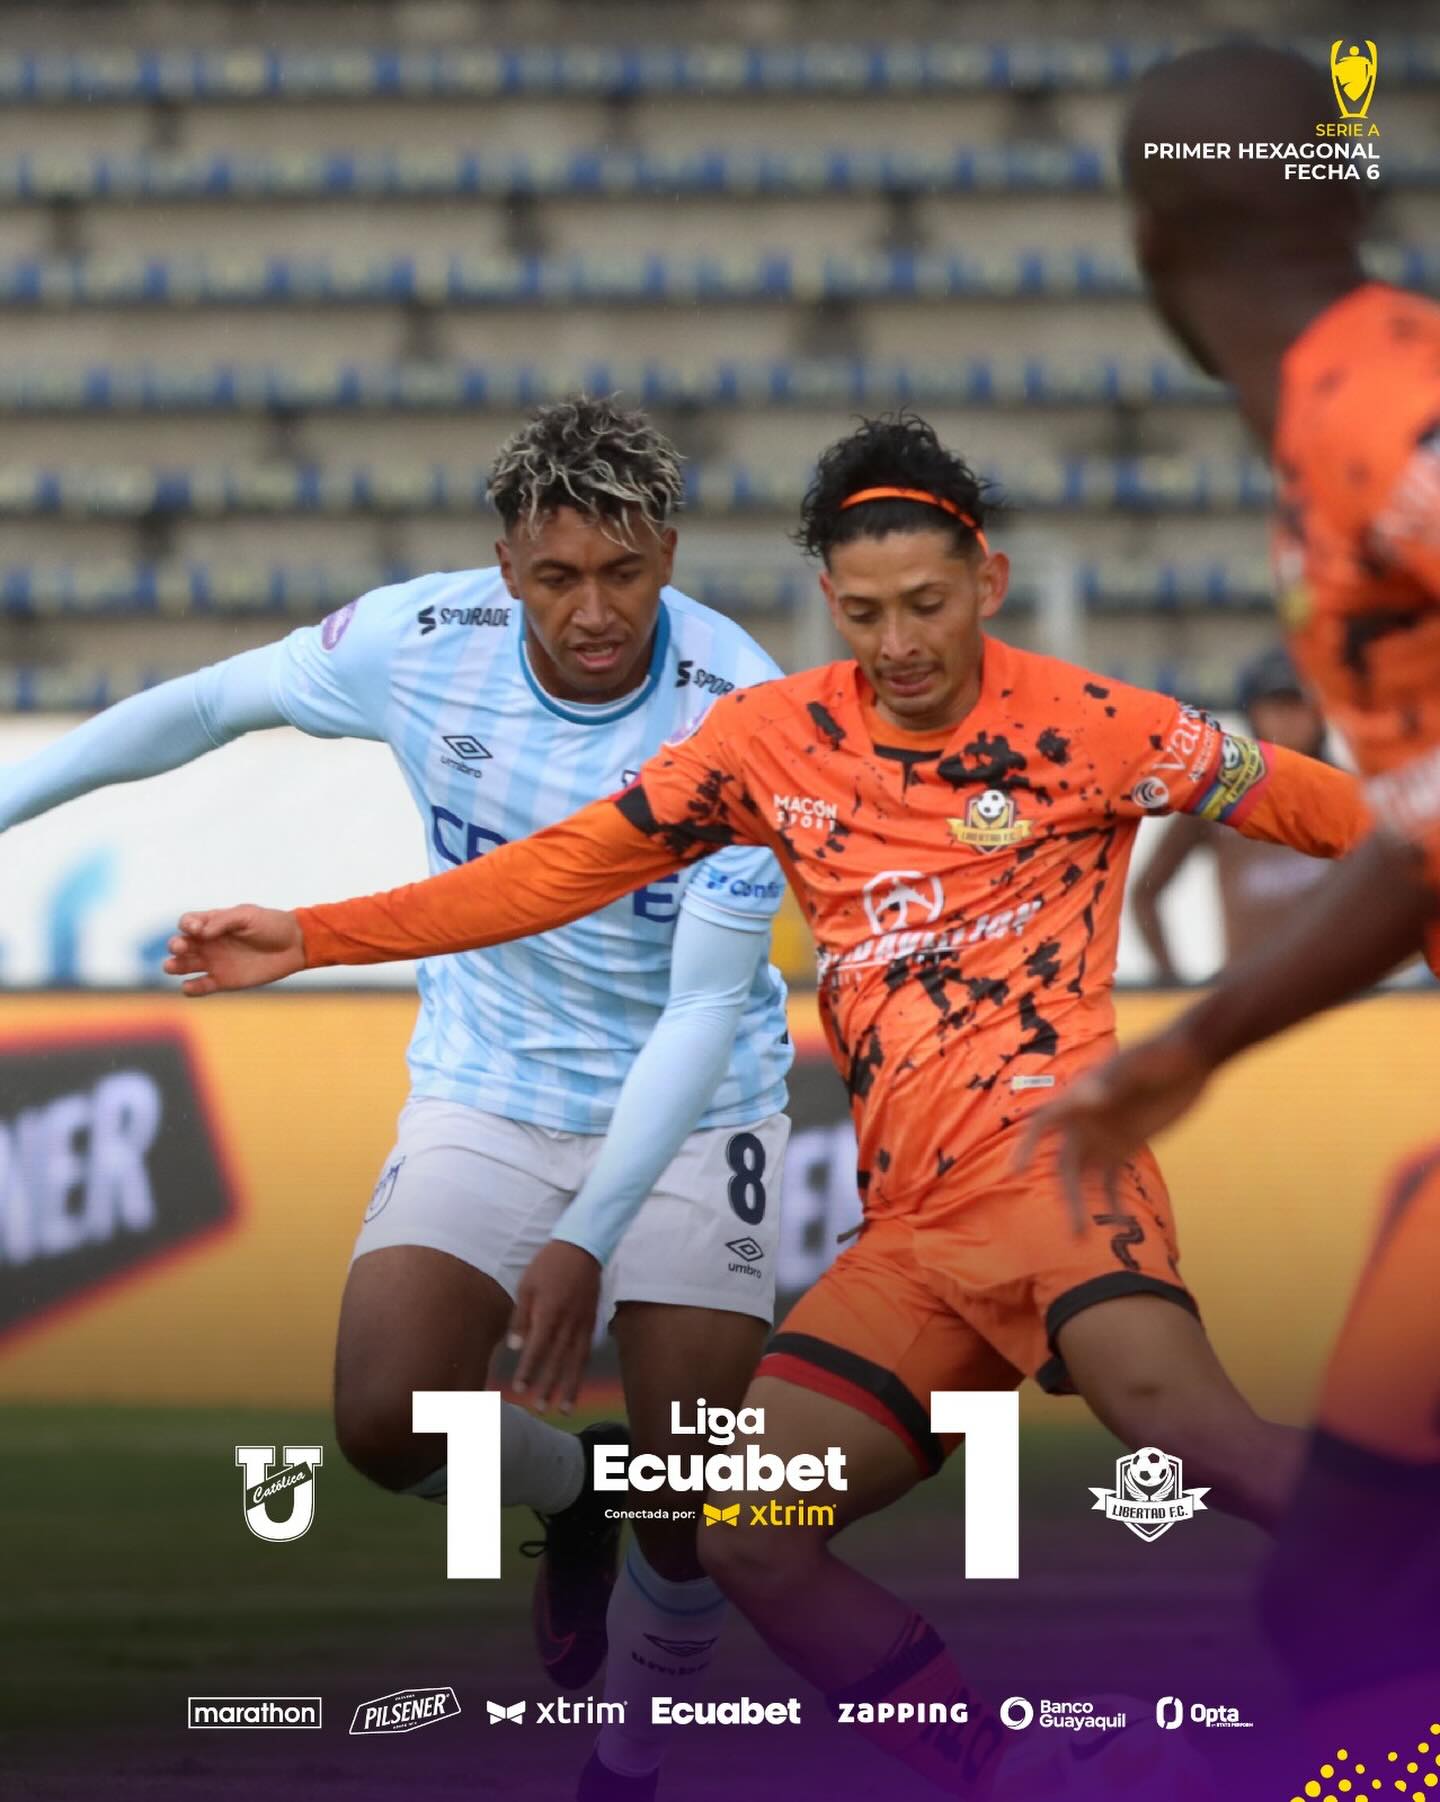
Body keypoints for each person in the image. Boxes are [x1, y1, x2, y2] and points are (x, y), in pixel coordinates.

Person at [163, 413, 1371, 1797]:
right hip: (911, 1235)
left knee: (1191, 1433)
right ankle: (1011, 1771)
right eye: (865, 611)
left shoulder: (1101, 724)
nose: (899, 641)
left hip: (1056, 1178)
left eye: (926, 603)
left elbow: (1357, 825)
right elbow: (552, 869)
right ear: (827, 601)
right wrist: (314, 934)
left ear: (987, 579)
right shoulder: (770, 741)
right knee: (744, 1532)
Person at [0, 396, 796, 1801]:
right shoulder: (420, 641)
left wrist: (587, 1234)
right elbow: (204, 705)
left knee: (693, 1494)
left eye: (623, 572)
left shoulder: (744, 713)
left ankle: (628, 1759)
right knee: (383, 1419)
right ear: (506, 568)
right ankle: (575, 1493)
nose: (593, 611)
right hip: (489, 1081)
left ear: (669, 554)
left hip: (698, 1105)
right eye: (557, 576)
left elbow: (697, 1012)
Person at [1021, 45, 1440, 1743]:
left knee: (1345, 1598)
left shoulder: (1379, 410)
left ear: (1151, 246)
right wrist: (1200, 1043)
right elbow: (1417, 840)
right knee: (1341, 1593)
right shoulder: (1344, 415)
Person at [1131, 646, 1332, 982]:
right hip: (1250, 993)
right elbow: (1146, 893)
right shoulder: (1221, 794)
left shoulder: (1356, 795)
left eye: (1298, 705)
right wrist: (1170, 981)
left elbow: (1406, 888)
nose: (1288, 719)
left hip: (1346, 997)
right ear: (1254, 713)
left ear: (1320, 713)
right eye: (1276, 706)